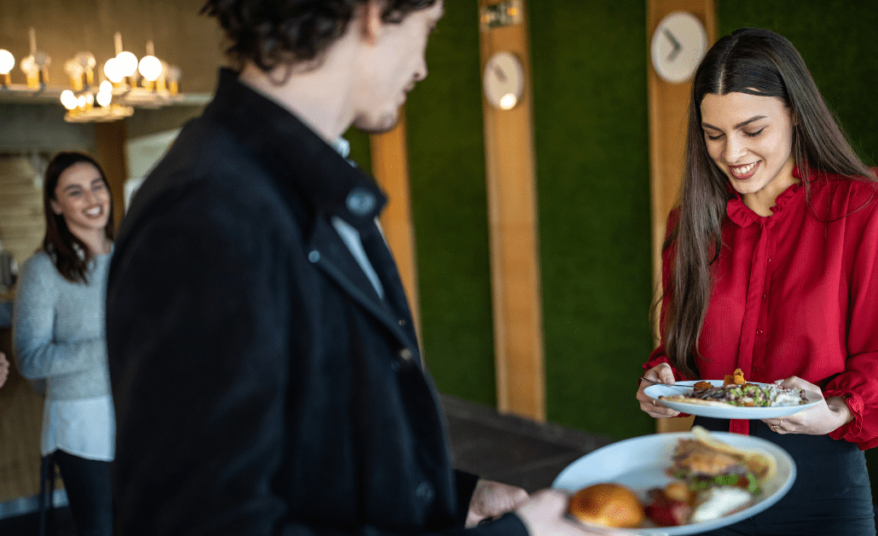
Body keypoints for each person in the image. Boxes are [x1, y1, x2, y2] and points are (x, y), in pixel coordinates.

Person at [105, 2, 607, 535]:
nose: (422, 67)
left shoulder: (305, 177)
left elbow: (315, 443)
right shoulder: (205, 210)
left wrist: (444, 497)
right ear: (373, 14)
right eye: (427, 28)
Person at [635, 28, 878, 535]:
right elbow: (680, 351)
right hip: (708, 471)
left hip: (821, 478)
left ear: (793, 112)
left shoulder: (860, 208)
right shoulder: (691, 223)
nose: (731, 153)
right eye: (714, 134)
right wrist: (663, 375)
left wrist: (835, 410)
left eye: (752, 130)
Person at [14, 151, 116, 536]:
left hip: (139, 413)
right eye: (76, 192)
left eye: (97, 186)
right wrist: (111, 345)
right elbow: (30, 359)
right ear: (55, 205)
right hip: (81, 423)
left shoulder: (132, 257)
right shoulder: (43, 270)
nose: (92, 200)